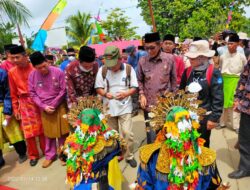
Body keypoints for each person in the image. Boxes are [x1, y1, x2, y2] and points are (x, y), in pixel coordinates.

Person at [136, 91, 221, 189]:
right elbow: (145, 185)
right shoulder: (151, 158)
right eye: (176, 129)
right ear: (166, 130)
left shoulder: (206, 158)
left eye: (187, 129)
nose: (183, 135)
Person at [61, 97, 124, 190]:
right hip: (100, 184)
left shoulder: (69, 143)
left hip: (78, 184)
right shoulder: (108, 144)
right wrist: (107, 131)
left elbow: (63, 158)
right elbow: (121, 149)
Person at [95, 45, 138, 168]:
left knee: (127, 133)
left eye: (114, 64)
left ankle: (129, 156)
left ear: (120, 59)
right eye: (109, 65)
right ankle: (114, 155)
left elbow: (134, 87)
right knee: (111, 134)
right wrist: (105, 94)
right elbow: (98, 88)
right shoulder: (102, 70)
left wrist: (126, 93)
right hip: (108, 107)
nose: (111, 67)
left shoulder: (129, 69)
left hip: (125, 106)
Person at [29, 52, 69, 168]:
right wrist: (44, 106)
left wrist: (55, 103)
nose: (43, 69)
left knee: (63, 133)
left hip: (60, 105)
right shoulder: (32, 76)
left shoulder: (58, 72)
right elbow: (32, 93)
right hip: (44, 107)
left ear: (47, 61)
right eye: (39, 68)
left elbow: (63, 90)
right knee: (49, 134)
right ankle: (50, 156)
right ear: (34, 67)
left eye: (44, 65)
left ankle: (64, 155)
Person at [180, 40, 223, 147]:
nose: (190, 59)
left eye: (193, 57)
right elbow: (181, 92)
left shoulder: (213, 72)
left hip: (204, 118)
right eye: (190, 57)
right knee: (187, 145)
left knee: (202, 146)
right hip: (187, 117)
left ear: (203, 57)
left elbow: (218, 97)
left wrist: (214, 119)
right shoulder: (188, 71)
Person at [137, 32, 177, 144]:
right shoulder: (142, 61)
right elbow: (139, 80)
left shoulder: (169, 59)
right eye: (146, 48)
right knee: (152, 137)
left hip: (165, 105)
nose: (149, 51)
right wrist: (141, 94)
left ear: (159, 45)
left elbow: (174, 82)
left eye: (152, 48)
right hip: (149, 105)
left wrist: (174, 103)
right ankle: (152, 160)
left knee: (167, 135)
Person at [8, 46, 45, 167]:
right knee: (28, 132)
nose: (14, 60)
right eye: (12, 58)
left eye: (17, 57)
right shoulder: (12, 72)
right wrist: (15, 108)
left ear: (25, 56)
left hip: (38, 100)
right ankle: (33, 155)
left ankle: (47, 151)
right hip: (23, 103)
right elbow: (13, 93)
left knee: (42, 129)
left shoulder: (35, 68)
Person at [218, 34, 247, 133]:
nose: (229, 46)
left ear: (238, 44)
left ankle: (236, 126)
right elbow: (220, 68)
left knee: (235, 103)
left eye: (231, 43)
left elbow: (244, 71)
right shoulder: (222, 56)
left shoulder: (242, 57)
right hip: (225, 82)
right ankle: (222, 123)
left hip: (236, 82)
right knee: (223, 103)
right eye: (228, 44)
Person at [0, 68, 27, 168]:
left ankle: (22, 153)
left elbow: (8, 93)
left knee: (13, 133)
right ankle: (0, 160)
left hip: (3, 107)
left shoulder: (2, 73)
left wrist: (8, 111)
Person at [228, 60, 250, 179]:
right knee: (245, 139)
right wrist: (237, 99)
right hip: (248, 108)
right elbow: (243, 79)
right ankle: (245, 168)